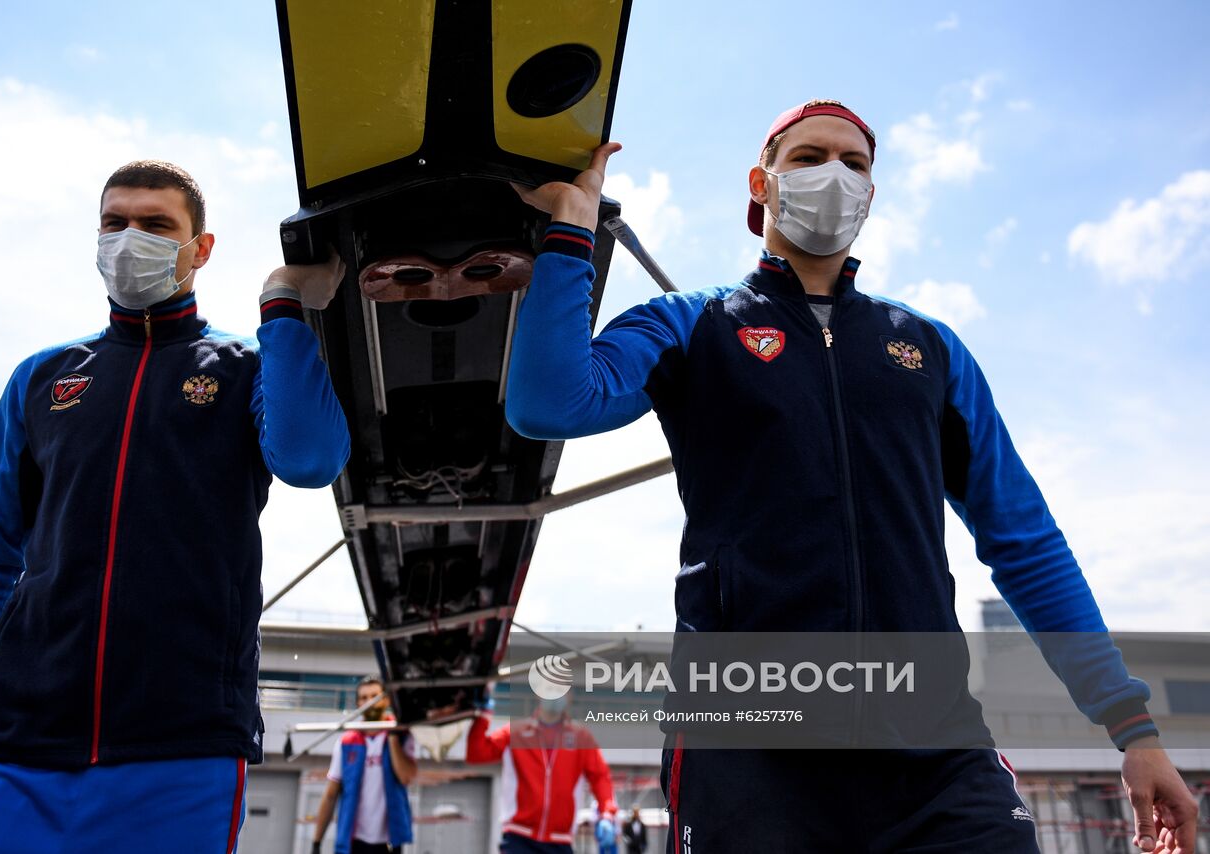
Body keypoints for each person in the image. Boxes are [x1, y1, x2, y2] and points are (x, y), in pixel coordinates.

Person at [505, 101, 1200, 853]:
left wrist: (1133, 729)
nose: (834, 175)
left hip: (933, 750)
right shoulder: (690, 323)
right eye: (807, 158)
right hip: (749, 750)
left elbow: (1025, 542)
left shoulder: (929, 349)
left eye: (856, 164)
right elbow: (549, 402)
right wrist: (571, 230)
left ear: (871, 195)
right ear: (761, 183)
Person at [0, 160, 351, 854]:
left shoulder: (244, 368)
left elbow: (309, 458)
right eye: (114, 223)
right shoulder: (42, 377)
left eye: (155, 225)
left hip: (181, 745)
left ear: (200, 250)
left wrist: (282, 302)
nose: (129, 239)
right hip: (10, 738)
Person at [465, 692, 617, 854]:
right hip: (519, 836)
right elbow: (477, 754)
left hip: (560, 840)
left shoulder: (580, 738)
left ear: (569, 696)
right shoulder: (516, 732)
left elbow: (600, 776)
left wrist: (607, 814)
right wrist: (482, 716)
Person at [312, 675, 418, 854]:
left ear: (385, 700)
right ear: (358, 703)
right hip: (353, 841)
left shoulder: (402, 736)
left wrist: (392, 737)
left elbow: (406, 777)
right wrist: (316, 842)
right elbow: (331, 794)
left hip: (390, 842)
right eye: (364, 697)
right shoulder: (346, 742)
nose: (370, 702)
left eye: (374, 696)